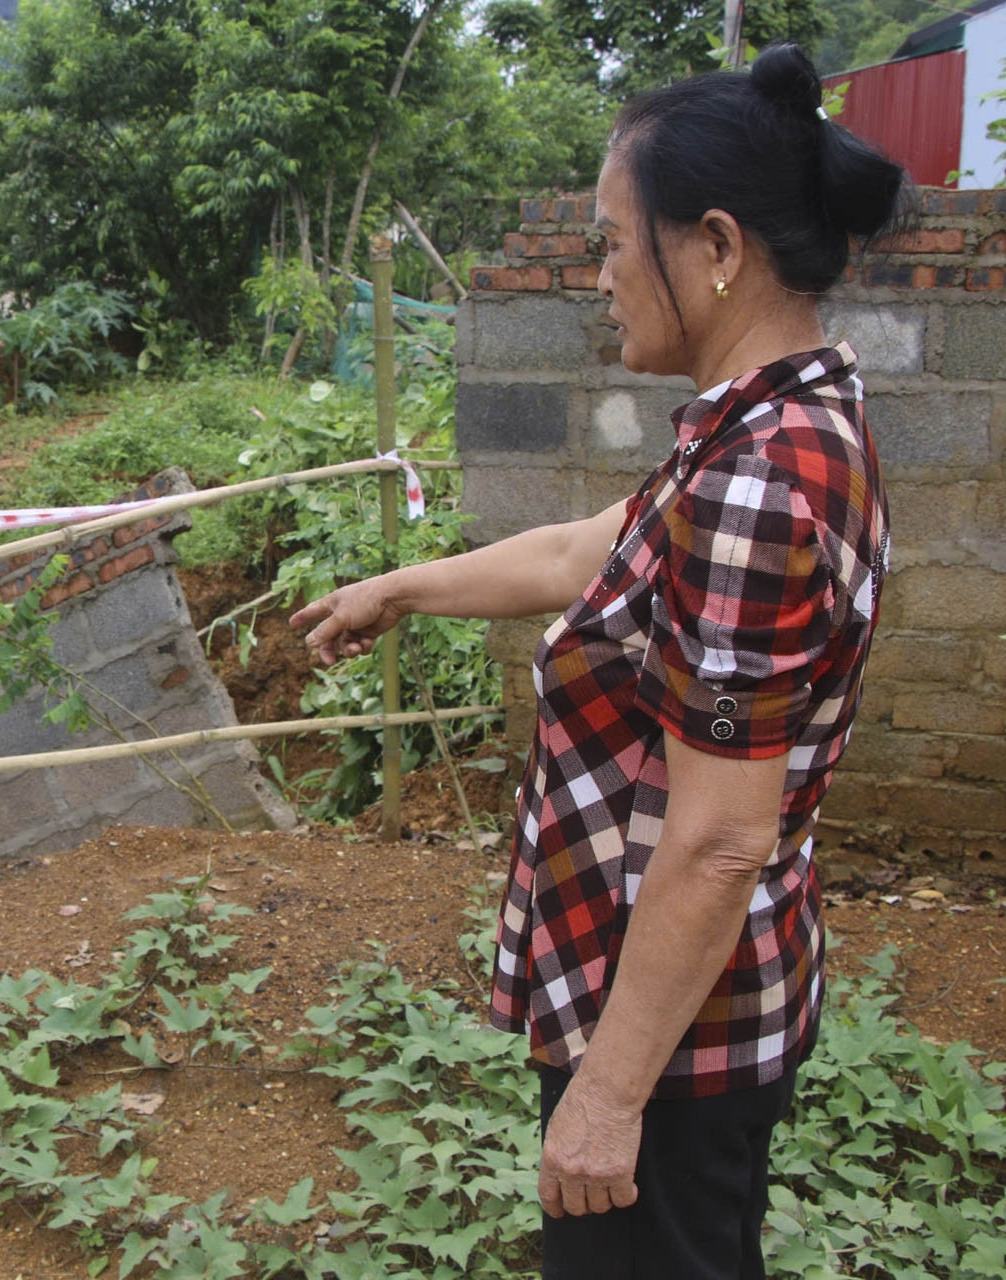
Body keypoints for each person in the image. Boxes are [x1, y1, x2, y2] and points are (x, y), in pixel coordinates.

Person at [290, 43, 909, 1280]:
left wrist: (609, 1094)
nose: (602, 277)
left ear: (718, 248)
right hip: (693, 998)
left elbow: (721, 835)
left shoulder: (759, 478)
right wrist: (400, 588)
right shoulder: (767, 427)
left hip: (669, 1036)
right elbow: (591, 547)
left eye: (616, 242)